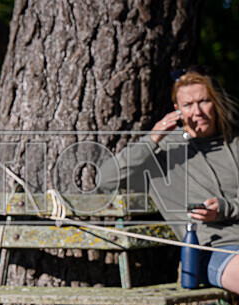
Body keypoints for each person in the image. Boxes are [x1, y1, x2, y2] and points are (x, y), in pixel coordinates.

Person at [101, 66, 239, 292]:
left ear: (215, 102)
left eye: (204, 101)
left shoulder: (233, 142)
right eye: (188, 105)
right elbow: (105, 180)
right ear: (177, 110)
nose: (198, 112)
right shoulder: (163, 151)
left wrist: (225, 208)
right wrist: (153, 137)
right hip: (212, 251)